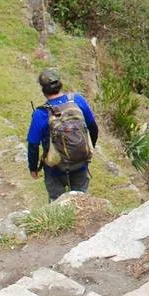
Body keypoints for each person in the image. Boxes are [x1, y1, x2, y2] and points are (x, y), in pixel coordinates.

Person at [26, 70, 99, 201]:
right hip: (80, 162)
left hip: (55, 168)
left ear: (43, 90)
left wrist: (33, 168)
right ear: (60, 84)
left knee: (56, 202)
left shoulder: (41, 113)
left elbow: (33, 144)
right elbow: (93, 127)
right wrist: (89, 148)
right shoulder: (78, 100)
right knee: (81, 201)